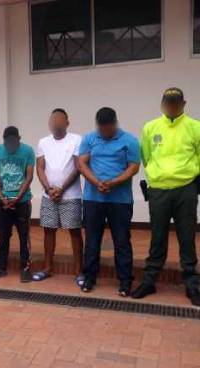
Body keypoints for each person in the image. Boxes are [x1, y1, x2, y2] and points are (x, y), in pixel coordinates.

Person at [133, 88, 200, 306]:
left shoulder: (195, 127)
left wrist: (190, 179)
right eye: (168, 102)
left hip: (185, 189)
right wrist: (158, 176)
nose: (171, 106)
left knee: (187, 236)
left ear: (183, 104)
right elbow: (146, 157)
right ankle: (149, 281)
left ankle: (192, 284)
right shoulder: (150, 127)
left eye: (175, 102)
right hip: (159, 190)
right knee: (158, 236)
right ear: (162, 103)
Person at [78, 107, 140, 296]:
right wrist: (96, 182)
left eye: (108, 129)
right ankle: (89, 278)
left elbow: (134, 167)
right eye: (101, 129)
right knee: (92, 240)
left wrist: (114, 182)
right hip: (93, 198)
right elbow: (82, 163)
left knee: (121, 240)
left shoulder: (129, 140)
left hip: (120, 200)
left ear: (115, 123)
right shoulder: (89, 139)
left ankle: (125, 281)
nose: (104, 132)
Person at [35, 109, 83, 283]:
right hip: (48, 196)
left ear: (67, 123)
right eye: (53, 120)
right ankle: (48, 268)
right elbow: (40, 167)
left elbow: (78, 167)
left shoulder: (76, 140)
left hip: (70, 195)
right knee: (48, 230)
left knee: (74, 231)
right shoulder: (43, 142)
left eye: (59, 120)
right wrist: (49, 189)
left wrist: (62, 189)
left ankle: (79, 271)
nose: (56, 123)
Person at [0, 126, 35, 282]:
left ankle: (25, 268)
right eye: (7, 142)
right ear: (3, 141)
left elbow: (29, 176)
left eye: (14, 142)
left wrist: (18, 197)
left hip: (22, 202)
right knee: (3, 236)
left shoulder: (28, 151)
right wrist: (1, 196)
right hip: (2, 202)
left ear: (19, 139)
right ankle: (0, 267)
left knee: (24, 236)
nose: (11, 145)